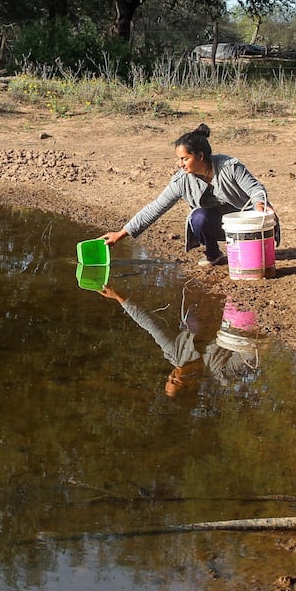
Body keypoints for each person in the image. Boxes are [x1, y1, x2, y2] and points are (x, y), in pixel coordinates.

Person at [100, 124, 277, 267]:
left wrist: (260, 205)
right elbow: (155, 208)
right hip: (219, 225)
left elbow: (256, 189)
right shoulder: (181, 181)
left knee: (254, 259)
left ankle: (253, 249)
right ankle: (213, 254)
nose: (180, 164)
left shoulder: (229, 167)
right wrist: (120, 234)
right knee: (198, 217)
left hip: (246, 225)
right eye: (179, 159)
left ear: (200, 156)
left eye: (184, 158)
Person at [97, 284, 257, 397]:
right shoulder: (220, 373)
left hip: (206, 309)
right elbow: (249, 355)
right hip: (236, 322)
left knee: (191, 322)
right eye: (175, 381)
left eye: (169, 378)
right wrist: (240, 332)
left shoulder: (174, 352)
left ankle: (210, 282)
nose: (172, 374)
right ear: (191, 386)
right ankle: (240, 298)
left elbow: (150, 324)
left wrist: (118, 297)